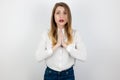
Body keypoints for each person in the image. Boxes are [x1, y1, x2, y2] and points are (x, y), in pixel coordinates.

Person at [35, 2, 87, 80]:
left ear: (68, 16)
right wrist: (56, 45)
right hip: (50, 75)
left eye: (65, 13)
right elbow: (38, 57)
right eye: (58, 13)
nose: (61, 16)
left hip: (68, 75)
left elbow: (84, 56)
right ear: (54, 16)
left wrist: (66, 46)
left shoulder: (75, 34)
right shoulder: (46, 33)